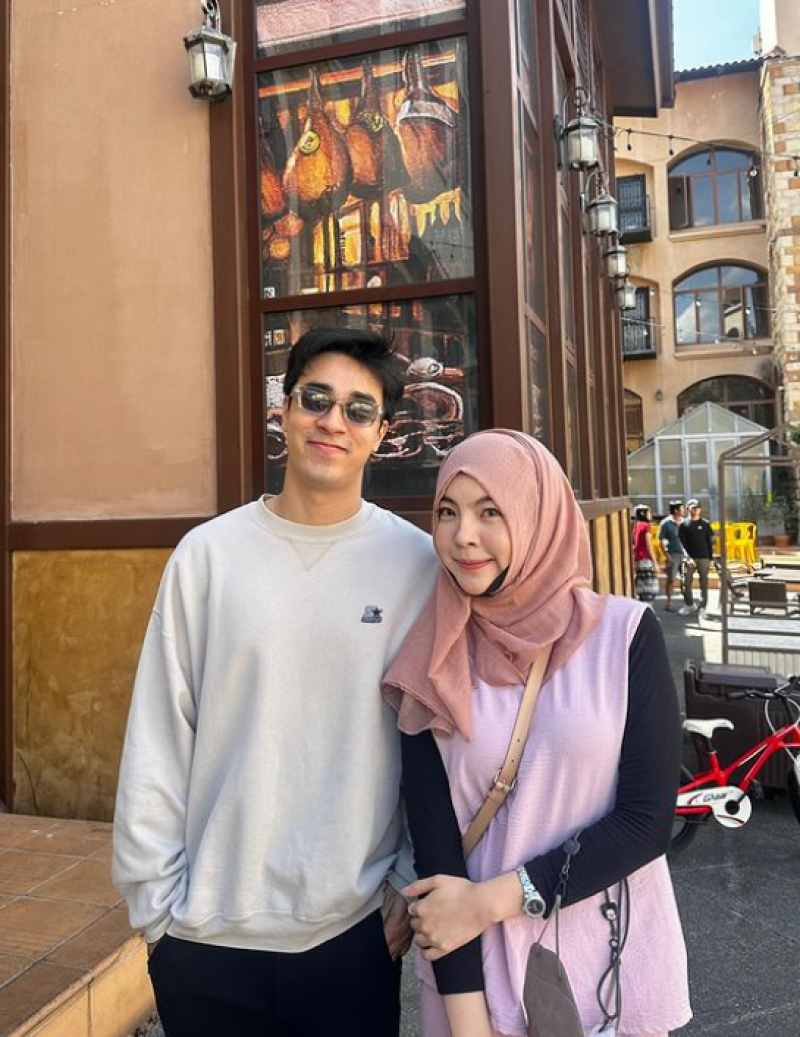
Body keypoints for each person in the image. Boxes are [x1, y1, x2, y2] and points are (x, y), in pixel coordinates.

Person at [112, 327, 437, 1037]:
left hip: (351, 936)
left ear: (381, 434)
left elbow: (433, 741)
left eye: (358, 408)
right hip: (206, 938)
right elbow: (160, 733)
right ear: (283, 410)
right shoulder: (209, 556)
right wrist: (156, 912)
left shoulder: (416, 566)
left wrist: (406, 882)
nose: (333, 421)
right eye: (315, 398)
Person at [382, 430, 691, 1037]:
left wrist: (492, 900)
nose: (463, 535)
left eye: (490, 511)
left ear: (538, 516)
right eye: (448, 512)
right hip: (473, 985)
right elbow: (439, 860)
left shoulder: (624, 637)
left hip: (609, 976)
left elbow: (646, 822)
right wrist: (469, 1024)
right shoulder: (430, 659)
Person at [679, 499, 714, 616]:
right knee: (686, 582)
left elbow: (709, 542)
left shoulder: (705, 524)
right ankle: (689, 605)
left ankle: (703, 607)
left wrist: (711, 559)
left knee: (704, 583)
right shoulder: (684, 524)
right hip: (690, 558)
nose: (695, 510)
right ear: (688, 509)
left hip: (704, 557)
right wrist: (688, 557)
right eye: (693, 508)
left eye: (697, 507)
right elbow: (682, 543)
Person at [658, 501, 688, 613]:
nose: (684, 510)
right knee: (671, 579)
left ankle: (688, 602)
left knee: (686, 580)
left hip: (685, 555)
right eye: (682, 508)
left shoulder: (685, 522)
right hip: (672, 554)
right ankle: (669, 603)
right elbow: (661, 540)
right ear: (676, 510)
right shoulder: (666, 523)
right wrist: (667, 555)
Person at [631, 504, 659, 602]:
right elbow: (648, 544)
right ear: (643, 513)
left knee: (641, 586)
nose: (650, 514)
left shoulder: (636, 525)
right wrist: (655, 562)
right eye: (648, 512)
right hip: (646, 559)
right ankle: (648, 607)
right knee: (650, 587)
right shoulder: (646, 526)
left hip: (638, 559)